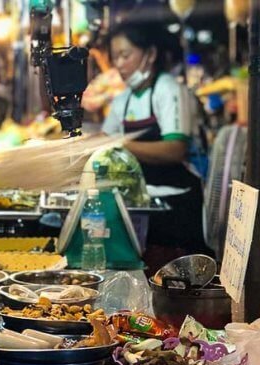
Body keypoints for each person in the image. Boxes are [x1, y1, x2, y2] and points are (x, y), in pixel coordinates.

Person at [102, 21, 208, 268]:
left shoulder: (169, 90)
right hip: (141, 208)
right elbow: (103, 141)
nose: (118, 64)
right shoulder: (123, 100)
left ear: (150, 54)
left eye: (125, 55)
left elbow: (174, 150)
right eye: (114, 57)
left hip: (175, 212)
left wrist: (120, 145)